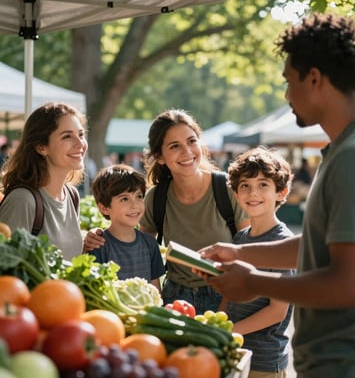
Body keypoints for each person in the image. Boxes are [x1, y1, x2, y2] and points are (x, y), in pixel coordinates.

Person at [197, 13, 355, 378]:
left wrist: (253, 282)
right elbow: (318, 245)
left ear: (314, 79)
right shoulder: (345, 151)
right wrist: (239, 252)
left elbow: (348, 285)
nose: (286, 95)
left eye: (289, 82)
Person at [83, 109, 249, 314]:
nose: (187, 151)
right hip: (176, 299)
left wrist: (228, 304)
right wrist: (98, 236)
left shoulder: (227, 189)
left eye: (191, 141)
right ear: (159, 157)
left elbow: (250, 250)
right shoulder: (156, 198)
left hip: (224, 296)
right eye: (174, 146)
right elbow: (136, 247)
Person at [223, 146, 295, 378]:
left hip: (264, 361)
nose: (253, 193)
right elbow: (228, 292)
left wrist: (230, 331)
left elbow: (277, 312)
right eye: (245, 185)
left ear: (281, 192)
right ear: (236, 194)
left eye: (263, 184)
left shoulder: (283, 243)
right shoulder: (240, 239)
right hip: (235, 352)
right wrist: (219, 325)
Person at [0, 102, 87, 260]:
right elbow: (6, 268)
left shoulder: (72, 195)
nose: (80, 143)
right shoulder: (23, 200)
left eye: (80, 134)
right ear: (41, 147)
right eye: (67, 136)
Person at [89, 163, 165, 291]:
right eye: (124, 199)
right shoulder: (99, 246)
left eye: (139, 196)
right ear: (104, 208)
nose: (135, 205)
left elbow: (155, 289)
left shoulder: (150, 243)